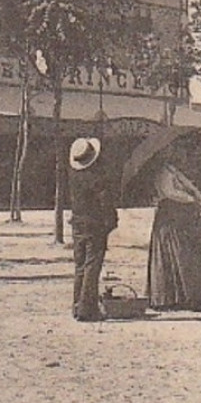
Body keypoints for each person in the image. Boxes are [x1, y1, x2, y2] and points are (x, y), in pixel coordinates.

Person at [147, 144, 201, 311]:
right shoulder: (164, 172)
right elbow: (169, 192)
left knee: (183, 254)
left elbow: (192, 190)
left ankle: (183, 295)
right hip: (170, 217)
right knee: (173, 253)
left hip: (179, 216)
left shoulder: (174, 171)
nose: (180, 155)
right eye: (175, 151)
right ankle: (169, 296)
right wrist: (191, 199)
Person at [67, 137, 118, 322]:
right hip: (94, 225)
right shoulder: (98, 178)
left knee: (80, 266)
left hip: (77, 223)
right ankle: (87, 309)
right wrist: (111, 221)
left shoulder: (73, 176)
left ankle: (77, 305)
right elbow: (105, 203)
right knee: (92, 267)